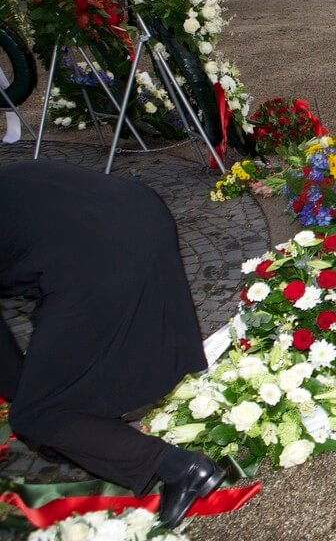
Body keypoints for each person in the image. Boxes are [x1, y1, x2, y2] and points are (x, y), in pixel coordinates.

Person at [0, 161, 226, 529]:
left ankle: (177, 468)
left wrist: (39, 405)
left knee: (35, 414)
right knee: (76, 350)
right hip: (141, 212)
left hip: (97, 257)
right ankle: (93, 423)